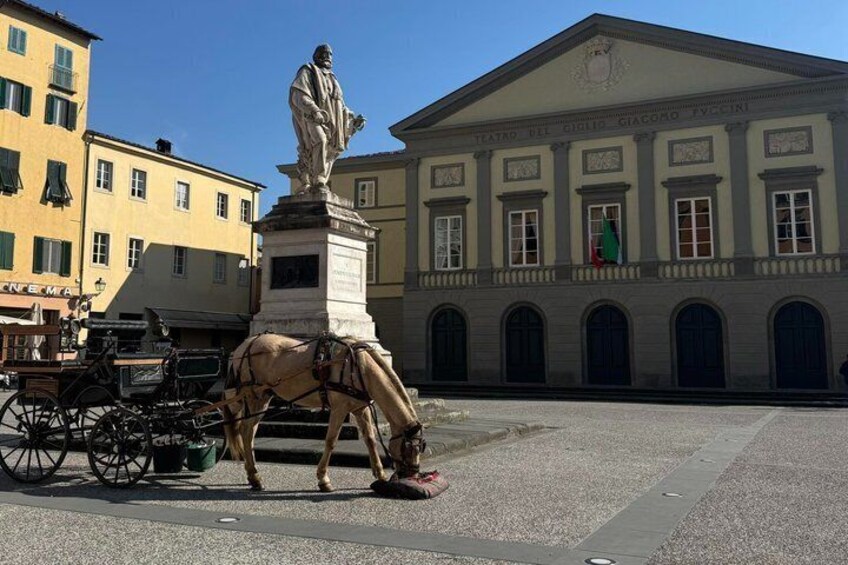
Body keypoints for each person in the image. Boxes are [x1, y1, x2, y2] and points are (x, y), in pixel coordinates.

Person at [289, 44, 365, 192]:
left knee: (332, 150)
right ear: (316, 56)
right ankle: (318, 179)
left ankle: (315, 180)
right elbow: (298, 94)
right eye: (323, 53)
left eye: (330, 54)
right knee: (320, 140)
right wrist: (314, 110)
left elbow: (340, 105)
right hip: (312, 117)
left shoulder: (333, 79)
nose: (327, 57)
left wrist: (353, 121)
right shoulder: (308, 71)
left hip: (332, 121)